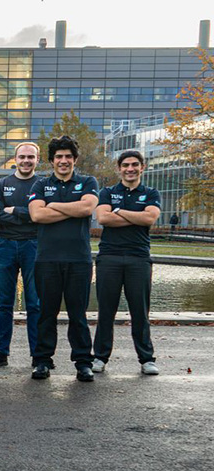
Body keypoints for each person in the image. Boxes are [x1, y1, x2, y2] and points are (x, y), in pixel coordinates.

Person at [28, 135, 99, 382]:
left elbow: (87, 209)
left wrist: (53, 205)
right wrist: (70, 207)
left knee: (78, 314)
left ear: (75, 159)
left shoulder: (88, 181)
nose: (64, 161)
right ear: (51, 160)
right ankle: (42, 361)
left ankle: (83, 362)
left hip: (78, 259)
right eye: (59, 157)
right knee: (46, 313)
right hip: (47, 260)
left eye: (68, 156)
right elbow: (37, 216)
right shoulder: (39, 185)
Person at [92, 150, 162, 375]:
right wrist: (135, 216)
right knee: (106, 311)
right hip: (109, 258)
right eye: (125, 165)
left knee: (139, 311)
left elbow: (149, 218)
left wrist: (119, 211)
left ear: (143, 167)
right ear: (119, 168)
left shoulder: (150, 193)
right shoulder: (107, 192)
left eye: (134, 165)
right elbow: (103, 218)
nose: (130, 169)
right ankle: (100, 357)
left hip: (138, 258)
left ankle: (146, 359)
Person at [0, 141, 42, 367]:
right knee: (4, 303)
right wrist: (28, 214)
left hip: (34, 245)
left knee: (35, 303)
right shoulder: (1, 184)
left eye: (31, 157)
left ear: (37, 160)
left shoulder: (43, 184)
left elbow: (42, 214)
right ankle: (2, 352)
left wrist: (17, 211)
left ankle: (38, 353)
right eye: (22, 157)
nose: (26, 161)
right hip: (6, 245)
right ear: (15, 159)